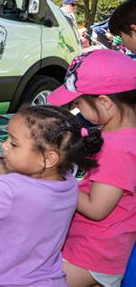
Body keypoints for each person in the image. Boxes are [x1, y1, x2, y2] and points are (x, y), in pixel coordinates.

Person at [0, 106, 102, 287]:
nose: (4, 146)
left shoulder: (9, 190)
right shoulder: (67, 182)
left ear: (49, 158)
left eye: (13, 143)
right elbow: (28, 187)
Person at [47, 49, 136, 287]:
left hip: (94, 255)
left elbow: (97, 209)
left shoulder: (119, 149)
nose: (76, 109)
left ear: (104, 102)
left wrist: (55, 178)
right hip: (93, 247)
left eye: (78, 103)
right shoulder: (117, 134)